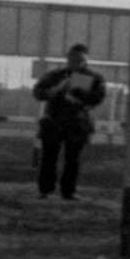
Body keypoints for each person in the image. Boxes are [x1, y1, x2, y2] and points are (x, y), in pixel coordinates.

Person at [32, 42, 107, 200]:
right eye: (72, 58)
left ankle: (68, 191)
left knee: (72, 160)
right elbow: (38, 92)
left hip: (77, 121)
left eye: (80, 59)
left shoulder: (94, 77)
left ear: (86, 60)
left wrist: (78, 93)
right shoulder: (55, 75)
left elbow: (98, 98)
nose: (75, 62)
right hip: (54, 120)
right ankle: (45, 189)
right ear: (67, 58)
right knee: (49, 157)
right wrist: (51, 92)